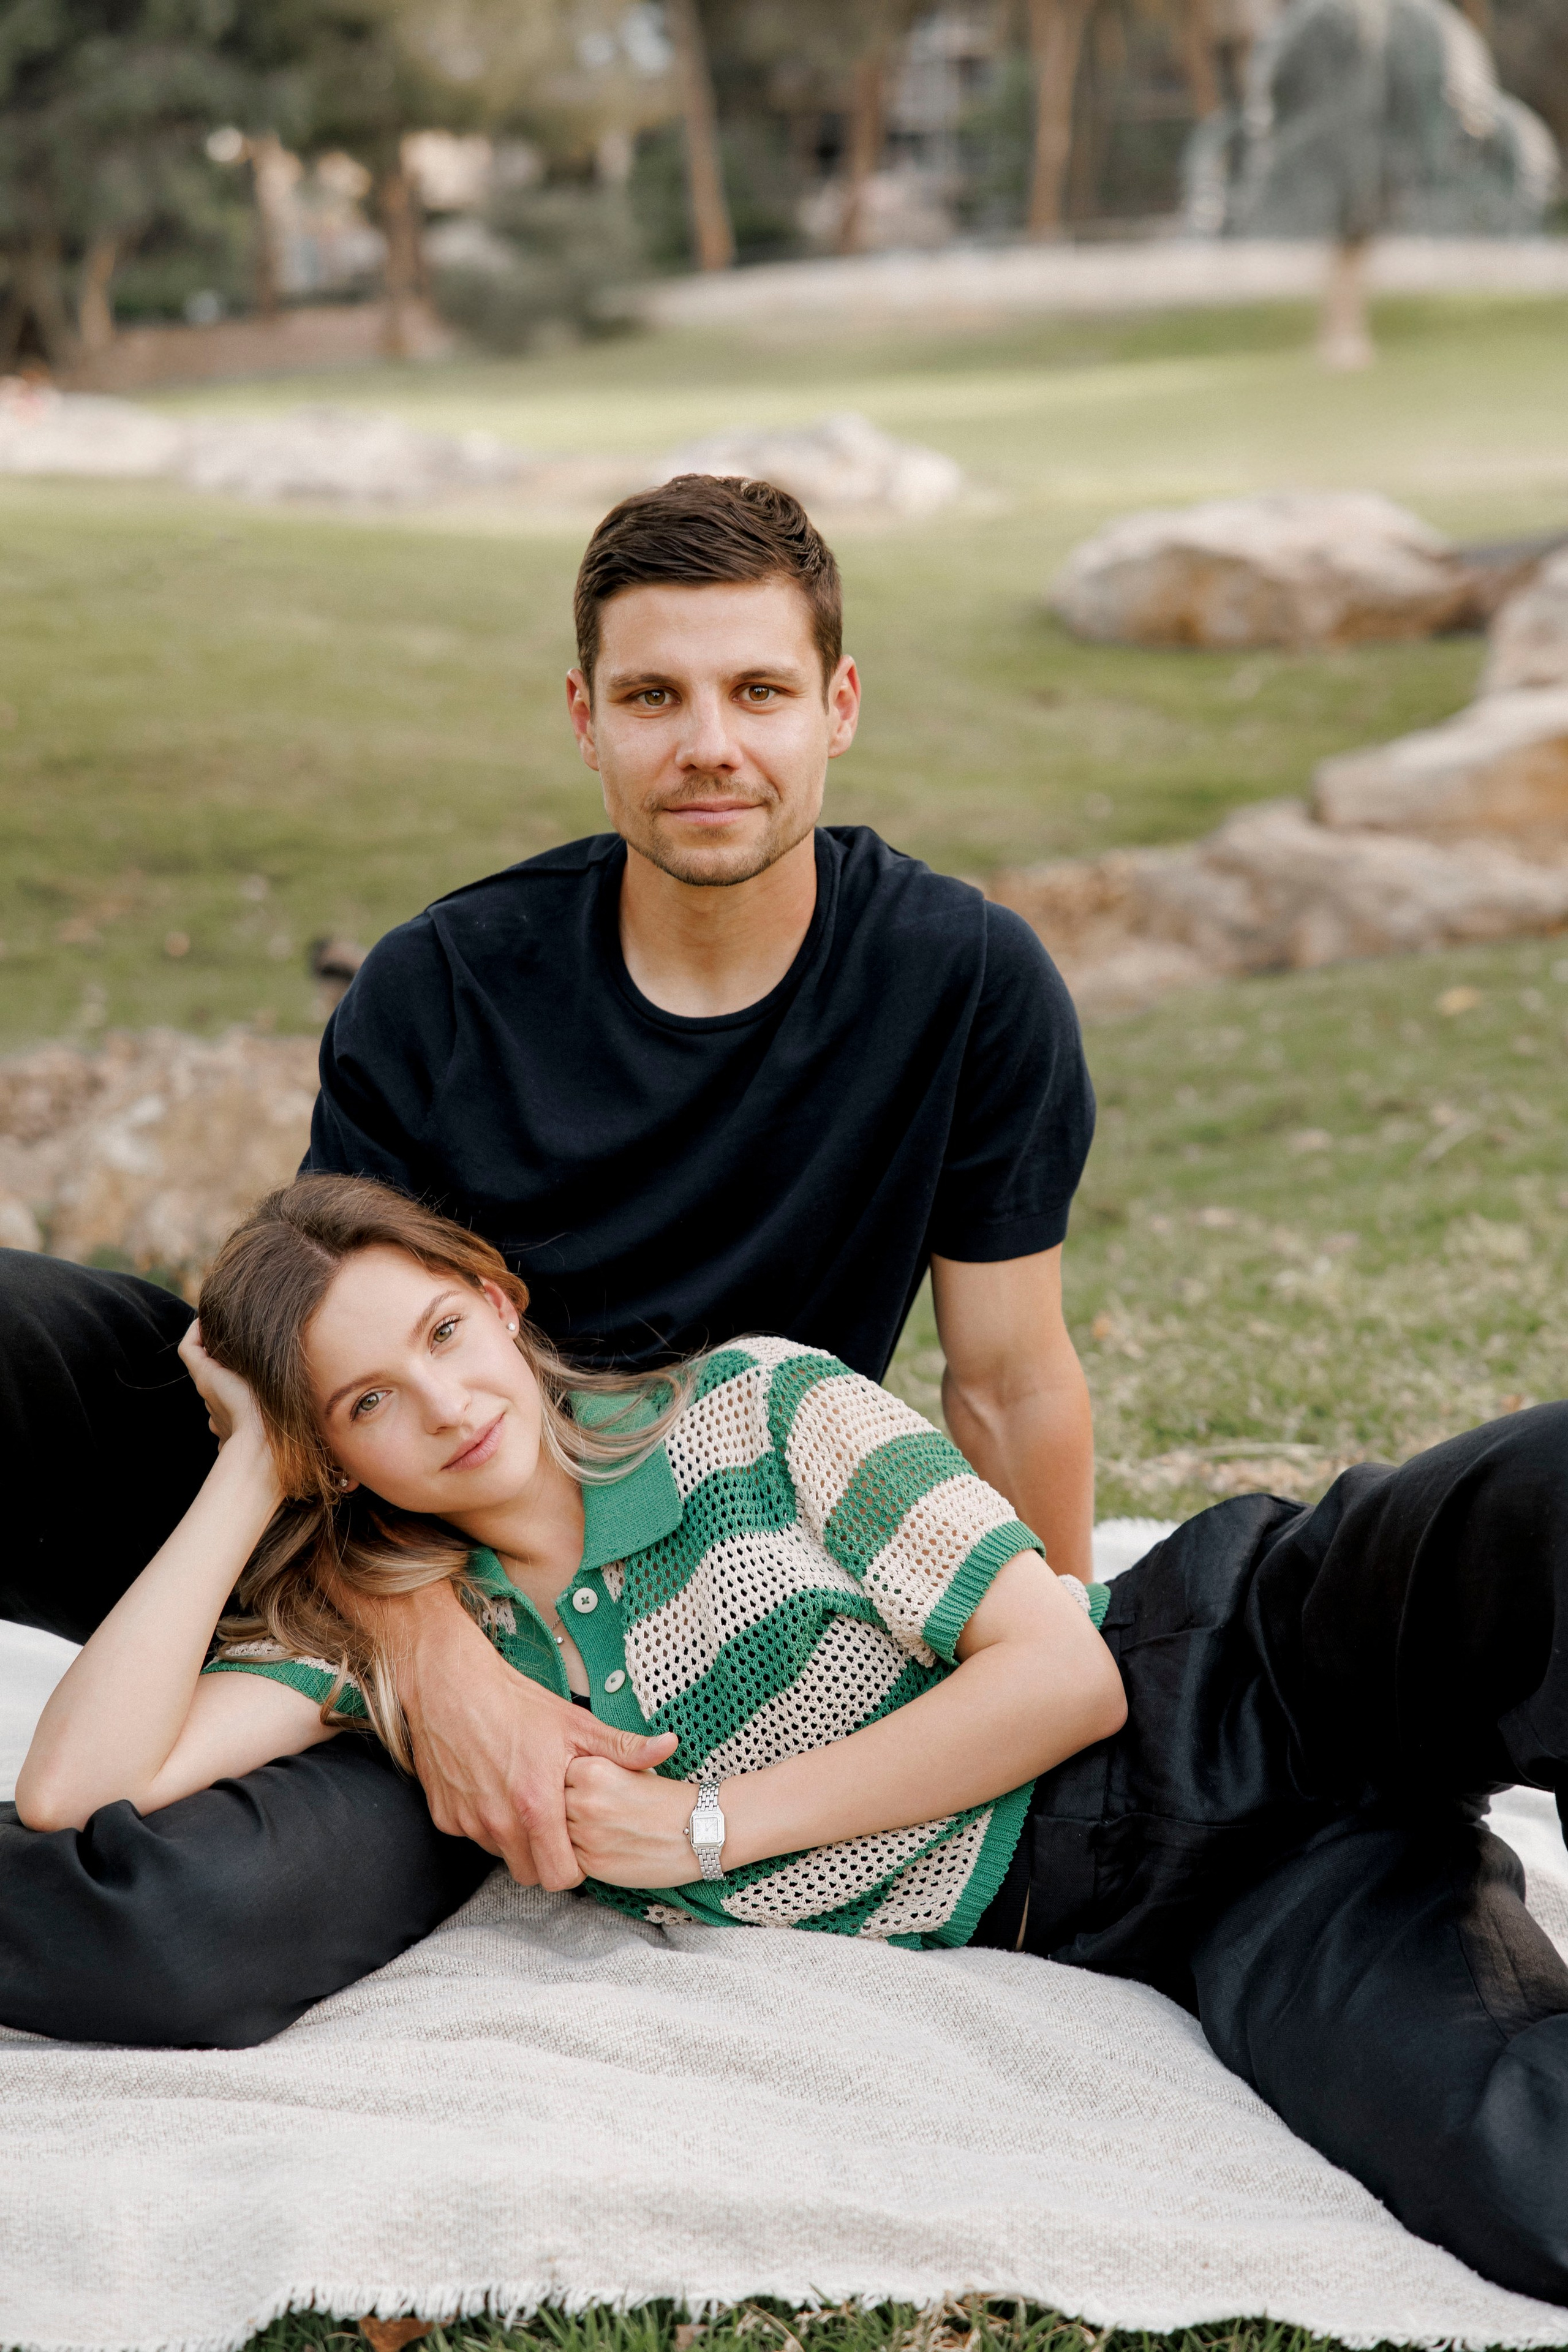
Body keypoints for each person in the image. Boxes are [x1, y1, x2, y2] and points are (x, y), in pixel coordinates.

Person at [17, 1173, 1568, 2309]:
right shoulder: (394, 1649)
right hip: (1197, 1909)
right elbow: (75, 1787)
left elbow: (1061, 1679)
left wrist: (709, 1828)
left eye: (440, 1328)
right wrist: (241, 1476)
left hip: (1235, 1660)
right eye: (366, 1400)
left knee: (1532, 1517)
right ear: (331, 1453)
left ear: (495, 1296)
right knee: (1515, 2180)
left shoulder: (753, 1407)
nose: (442, 1399)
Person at [0, 472, 1096, 2043]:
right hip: (371, 1490)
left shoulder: (962, 983)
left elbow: (1007, 1380)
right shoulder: (444, 981)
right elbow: (333, 1339)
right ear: (584, 718)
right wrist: (424, 1649)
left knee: (163, 1929)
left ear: (836, 706)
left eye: (758, 692)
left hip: (661, 1586)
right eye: (652, 696)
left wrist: (1032, 1689)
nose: (707, 745)